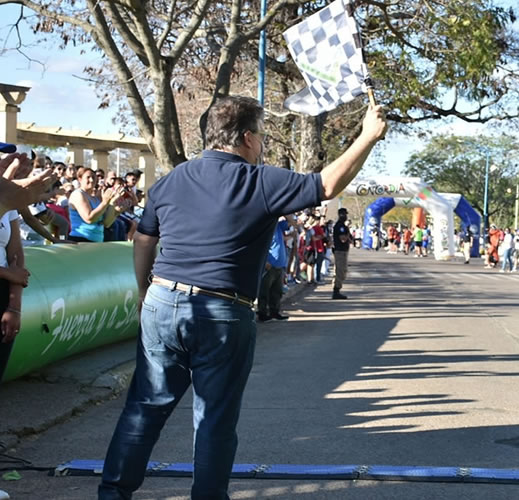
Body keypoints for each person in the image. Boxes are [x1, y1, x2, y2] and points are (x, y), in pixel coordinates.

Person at [98, 96, 386, 499]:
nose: (263, 145)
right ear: (248, 138)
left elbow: (145, 236)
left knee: (144, 407)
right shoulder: (261, 180)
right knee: (213, 418)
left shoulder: (172, 179)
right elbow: (328, 183)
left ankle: (112, 493)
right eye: (263, 136)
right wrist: (368, 136)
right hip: (221, 310)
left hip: (163, 300)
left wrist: (146, 288)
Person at [0, 161, 30, 500]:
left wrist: (13, 305)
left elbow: (16, 255)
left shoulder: (6, 200)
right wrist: (7, 275)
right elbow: (10, 269)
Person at [332, 208, 351, 299]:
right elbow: (343, 239)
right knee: (340, 271)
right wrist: (348, 233)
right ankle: (336, 290)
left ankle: (337, 288)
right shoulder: (340, 226)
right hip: (340, 251)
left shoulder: (342, 225)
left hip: (343, 251)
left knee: (342, 271)